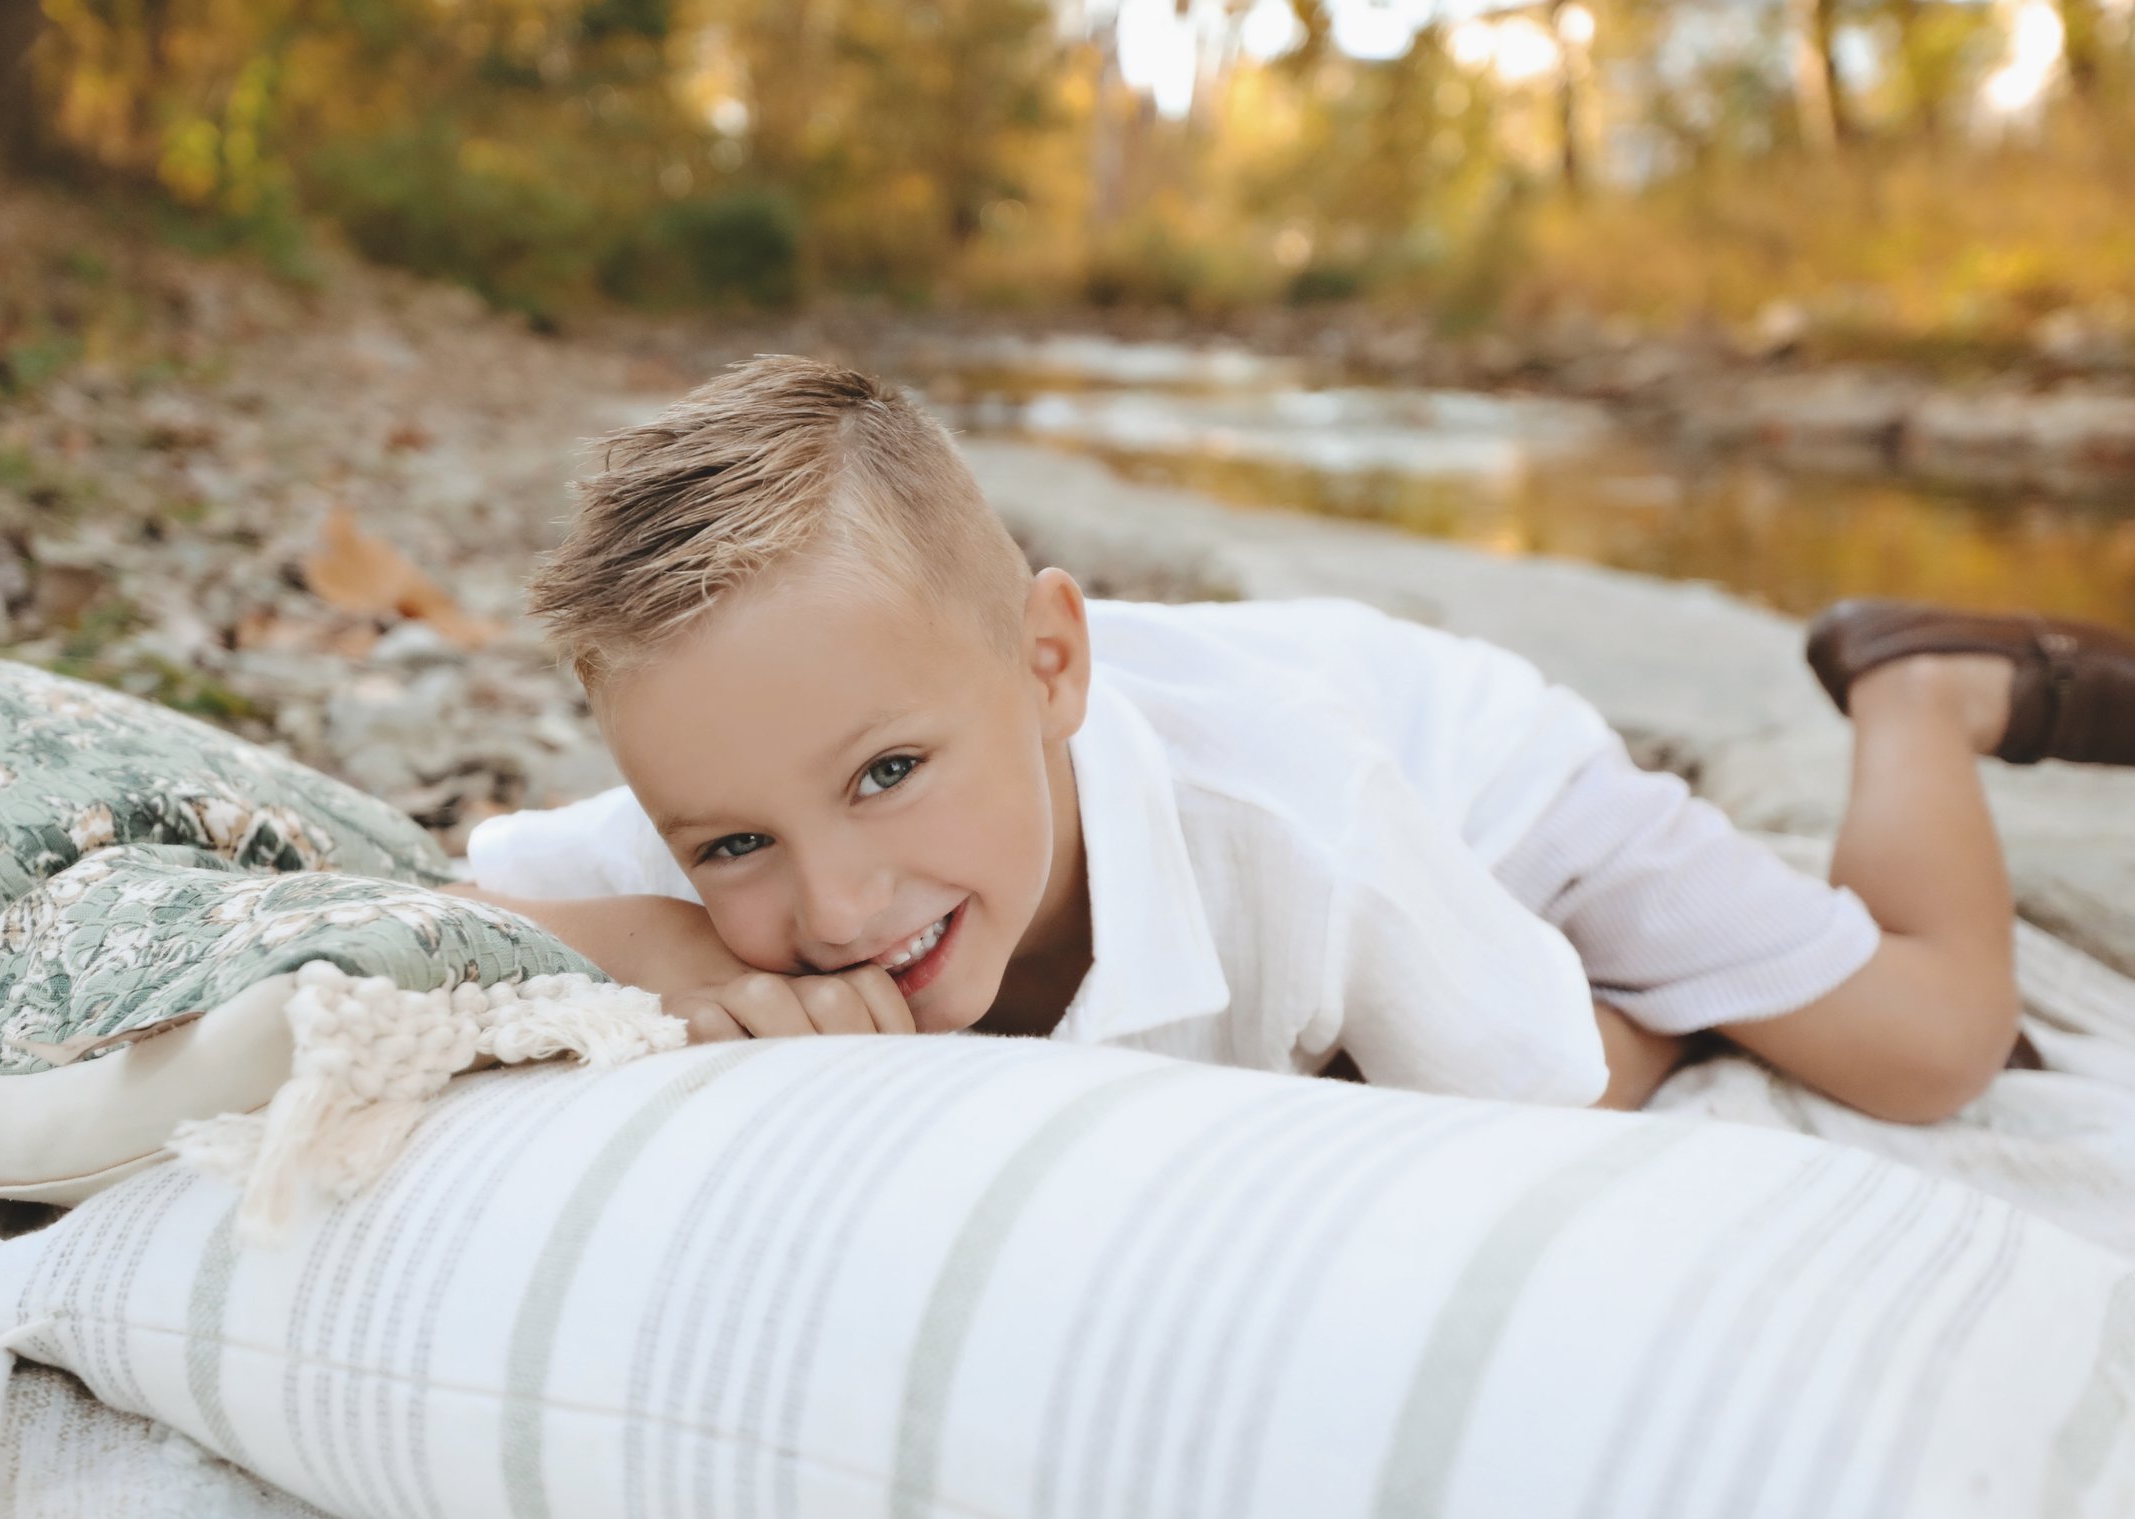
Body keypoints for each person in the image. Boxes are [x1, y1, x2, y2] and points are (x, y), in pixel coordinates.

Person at [448, 356, 2135, 1122]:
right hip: (1282, 744)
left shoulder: (1308, 838)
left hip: (1474, 779)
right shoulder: (762, 780)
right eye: (730, 846)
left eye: (891, 775)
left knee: (1922, 1052)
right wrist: (671, 947)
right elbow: (442, 920)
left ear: (1048, 663)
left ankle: (1927, 691)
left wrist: (1667, 1028)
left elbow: (1551, 1094)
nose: (826, 910)